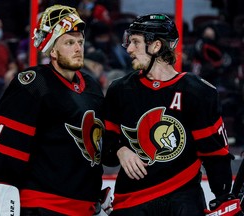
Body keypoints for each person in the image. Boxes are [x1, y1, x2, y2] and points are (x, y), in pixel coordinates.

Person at [0, 4, 111, 216]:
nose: (78, 48)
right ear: (52, 50)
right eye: (69, 42)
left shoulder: (92, 86)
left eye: (80, 42)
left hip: (85, 207)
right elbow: (2, 151)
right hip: (44, 206)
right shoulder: (36, 82)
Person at [102, 14, 242, 216]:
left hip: (183, 198)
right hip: (132, 199)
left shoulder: (198, 91)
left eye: (135, 42)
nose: (129, 49)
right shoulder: (120, 90)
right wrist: (120, 150)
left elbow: (215, 155)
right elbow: (106, 147)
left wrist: (222, 198)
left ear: (156, 46)